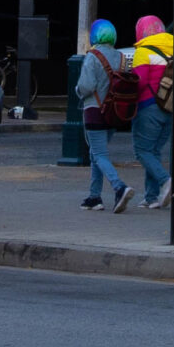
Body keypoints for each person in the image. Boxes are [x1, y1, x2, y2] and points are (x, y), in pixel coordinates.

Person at [75, 18, 135, 213]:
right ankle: (94, 196)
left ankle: (119, 187)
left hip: (95, 111)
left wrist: (77, 90)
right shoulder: (120, 57)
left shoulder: (93, 56)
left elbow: (86, 87)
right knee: (96, 154)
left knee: (99, 154)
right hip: (114, 112)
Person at [130, 13, 174, 211]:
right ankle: (151, 197)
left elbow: (139, 82)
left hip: (148, 106)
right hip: (170, 107)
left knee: (142, 151)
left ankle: (166, 181)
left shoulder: (143, 52)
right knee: (154, 151)